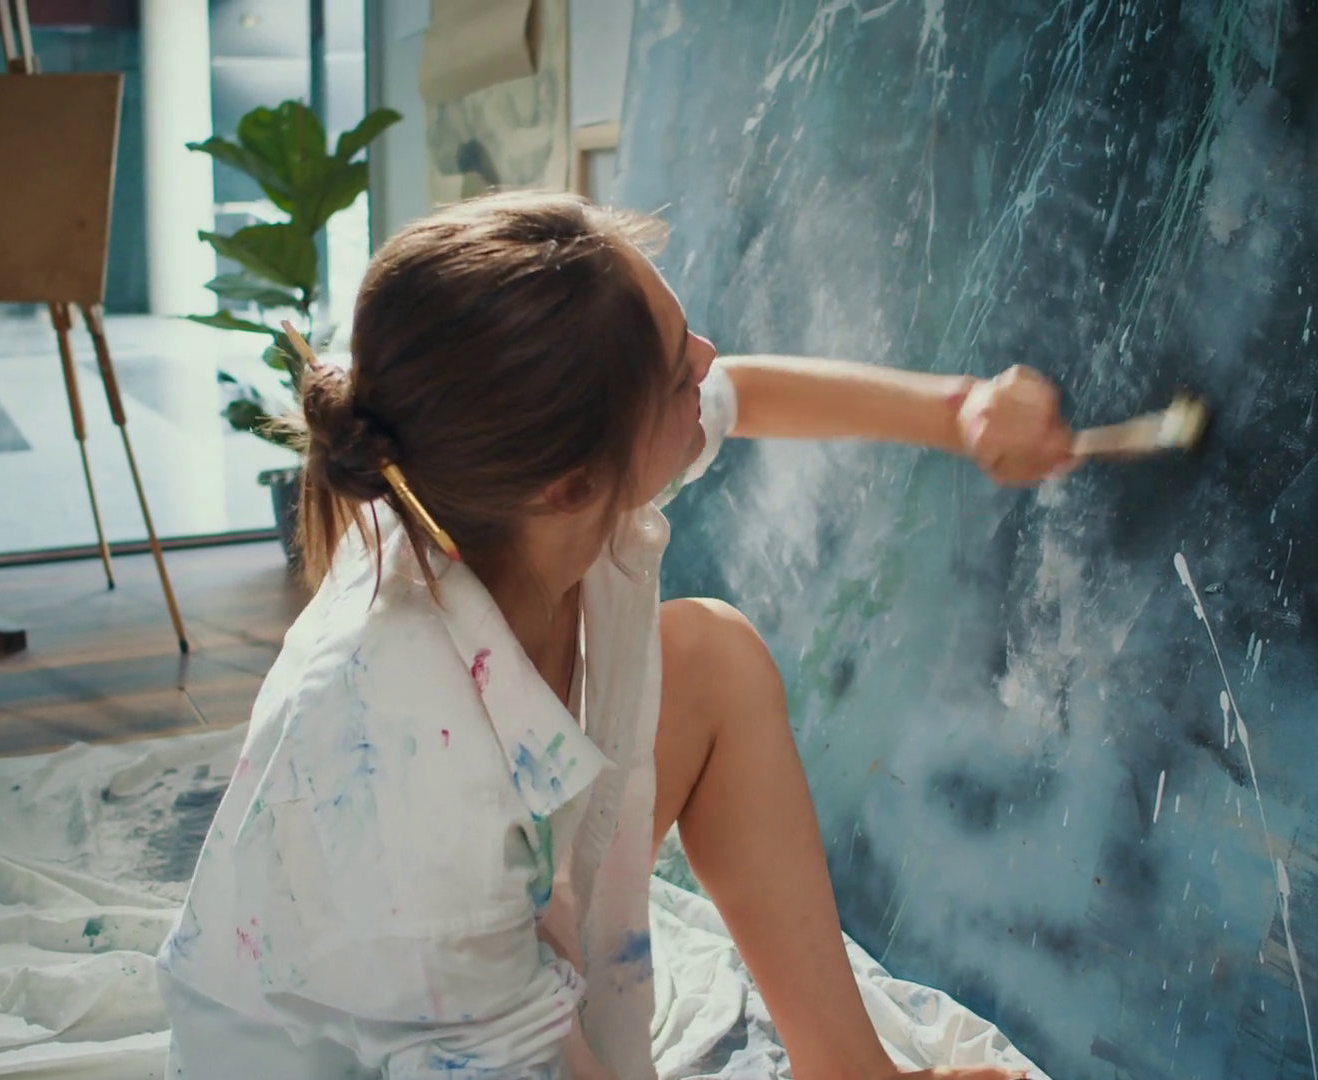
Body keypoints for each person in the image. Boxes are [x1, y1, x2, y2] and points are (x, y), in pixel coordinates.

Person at [156, 190, 1090, 1079]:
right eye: (681, 370)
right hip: (401, 1043)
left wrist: (957, 411)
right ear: (571, 486)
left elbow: (744, 392)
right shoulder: (414, 775)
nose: (708, 361)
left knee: (712, 658)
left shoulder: (505, 485)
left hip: (487, 941)